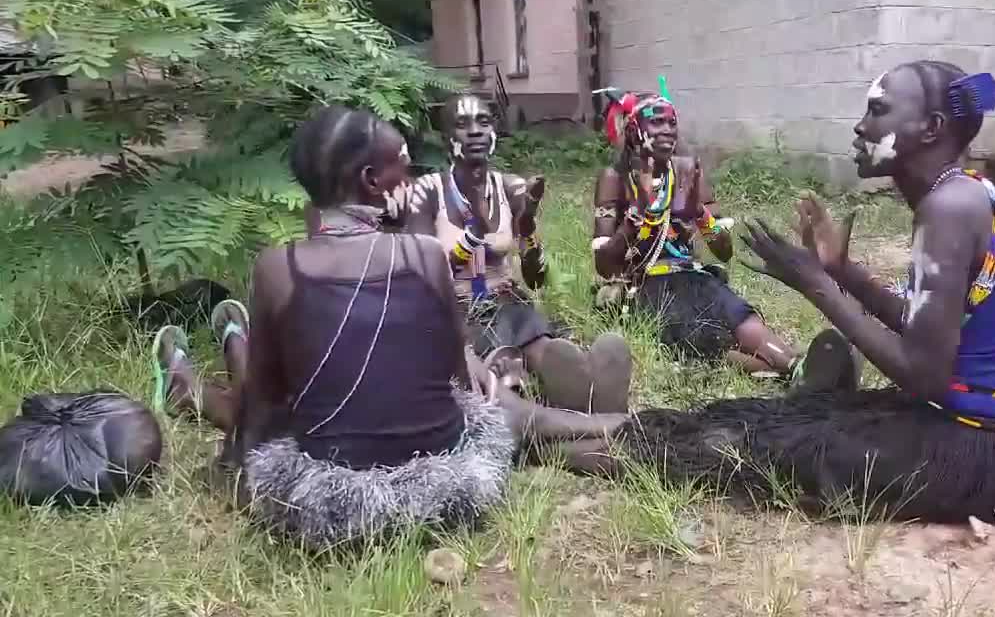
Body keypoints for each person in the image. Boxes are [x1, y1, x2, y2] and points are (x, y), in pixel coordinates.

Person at [594, 63, 995, 524]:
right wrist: (843, 271)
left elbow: (923, 373)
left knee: (766, 448)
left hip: (981, 446)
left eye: (879, 111)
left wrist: (818, 285)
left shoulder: (950, 207)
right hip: (978, 426)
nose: (862, 126)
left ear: (931, 129)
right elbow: (926, 324)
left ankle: (554, 436)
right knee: (782, 420)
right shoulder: (962, 194)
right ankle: (570, 427)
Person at [149, 106, 628, 546]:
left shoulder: (278, 268)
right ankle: (625, 428)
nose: (411, 172)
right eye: (403, 161)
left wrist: (239, 461)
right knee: (501, 407)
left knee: (262, 392)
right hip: (445, 479)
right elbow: (459, 383)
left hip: (332, 497)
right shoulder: (422, 254)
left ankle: (195, 374)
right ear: (372, 179)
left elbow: (267, 404)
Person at [392, 93, 633, 411]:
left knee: (540, 346)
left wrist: (528, 227)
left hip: (507, 302)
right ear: (445, 136)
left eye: (484, 122)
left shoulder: (510, 188)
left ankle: (586, 389)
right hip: (455, 310)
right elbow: (420, 269)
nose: (476, 131)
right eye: (463, 124)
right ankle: (554, 399)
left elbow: (535, 279)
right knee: (499, 360)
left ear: (494, 132)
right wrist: (472, 239)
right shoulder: (429, 191)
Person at [590, 87, 802, 377]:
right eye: (657, 122)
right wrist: (638, 213)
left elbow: (724, 251)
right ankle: (787, 369)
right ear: (633, 130)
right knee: (701, 338)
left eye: (672, 123)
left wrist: (699, 214)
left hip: (695, 278)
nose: (667, 130)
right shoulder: (615, 179)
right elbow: (604, 265)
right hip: (644, 287)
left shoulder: (689, 174)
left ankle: (795, 366)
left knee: (740, 317)